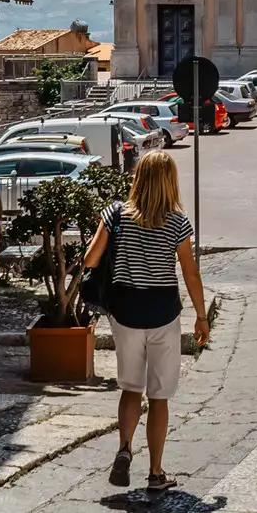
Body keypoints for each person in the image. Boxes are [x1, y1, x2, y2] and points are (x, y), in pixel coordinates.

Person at [84, 151, 208, 495]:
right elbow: (190, 272)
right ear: (170, 180)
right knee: (160, 396)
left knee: (131, 388)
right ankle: (155, 472)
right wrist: (200, 315)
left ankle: (124, 448)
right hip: (163, 312)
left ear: (137, 177)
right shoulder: (177, 221)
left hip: (125, 311)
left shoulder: (116, 214)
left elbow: (90, 258)